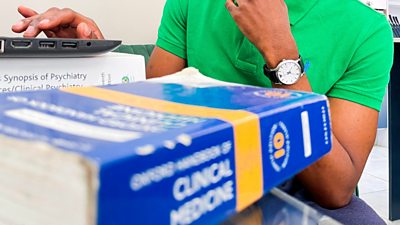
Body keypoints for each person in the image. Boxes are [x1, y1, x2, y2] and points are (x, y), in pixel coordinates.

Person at [11, 1, 393, 224]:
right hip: (195, 170)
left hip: (295, 186)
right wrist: (96, 62)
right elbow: (158, 111)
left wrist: (281, 56)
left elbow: (336, 189)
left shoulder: (366, 29)